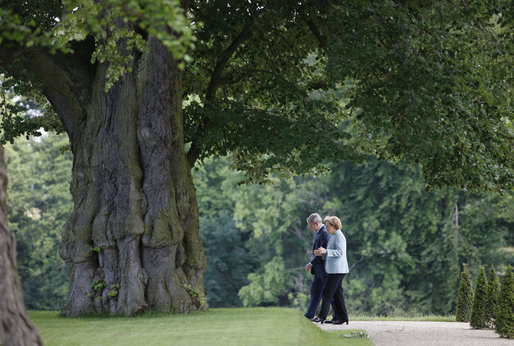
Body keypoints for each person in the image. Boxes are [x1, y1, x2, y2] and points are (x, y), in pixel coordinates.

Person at [313, 216, 349, 325]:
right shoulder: (334, 235)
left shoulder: (339, 236)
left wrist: (326, 251)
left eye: (328, 226)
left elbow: (340, 252)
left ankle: (321, 316)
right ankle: (342, 317)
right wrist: (322, 252)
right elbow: (332, 251)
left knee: (327, 293)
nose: (327, 228)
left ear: (334, 226)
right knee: (337, 294)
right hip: (335, 270)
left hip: (337, 270)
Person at [304, 213, 330, 322]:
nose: (311, 228)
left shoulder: (324, 233)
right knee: (315, 291)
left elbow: (321, 253)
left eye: (311, 225)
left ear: (316, 224)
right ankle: (310, 314)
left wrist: (311, 263)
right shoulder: (319, 233)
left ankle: (337, 316)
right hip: (318, 270)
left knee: (329, 293)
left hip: (323, 269)